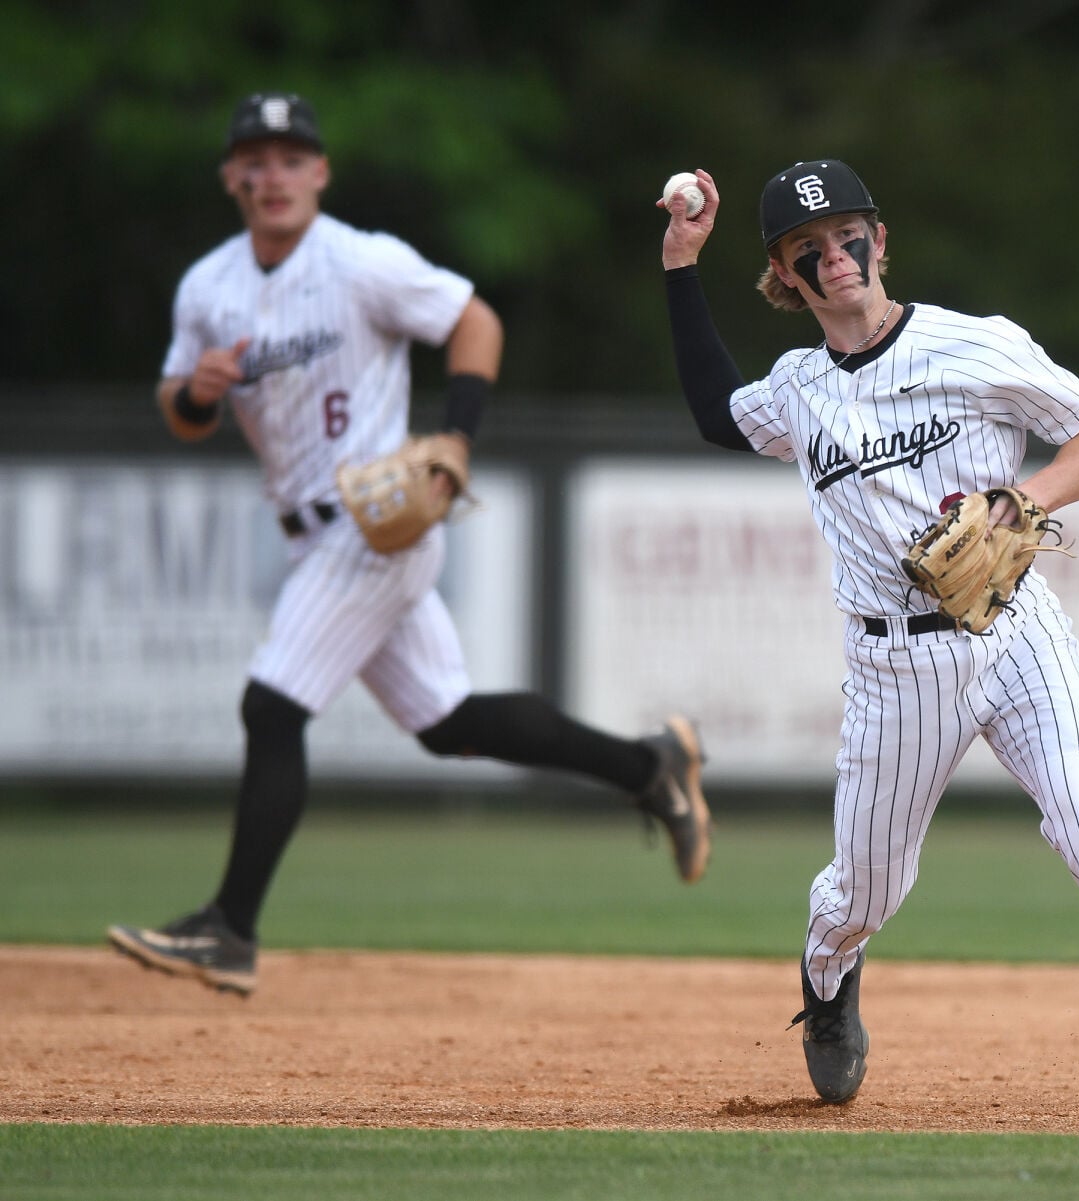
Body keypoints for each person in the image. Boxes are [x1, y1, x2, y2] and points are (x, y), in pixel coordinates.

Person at [106, 91, 711, 999]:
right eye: (255, 159)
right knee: (449, 723)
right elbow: (180, 414)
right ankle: (648, 765)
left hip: (378, 523)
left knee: (272, 709)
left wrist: (456, 442)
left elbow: (475, 323)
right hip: (311, 540)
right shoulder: (208, 286)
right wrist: (196, 392)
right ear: (233, 176)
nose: (272, 174)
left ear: (320, 172)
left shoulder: (360, 263)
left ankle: (230, 927)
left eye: (289, 157)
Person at [656, 160, 1079, 1133]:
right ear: (784, 278)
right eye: (807, 250)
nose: (837, 256)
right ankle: (826, 980)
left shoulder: (974, 344)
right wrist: (679, 266)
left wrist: (1021, 501)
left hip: (1015, 625)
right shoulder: (798, 388)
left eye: (849, 233)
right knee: (863, 891)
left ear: (879, 238)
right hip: (893, 664)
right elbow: (714, 413)